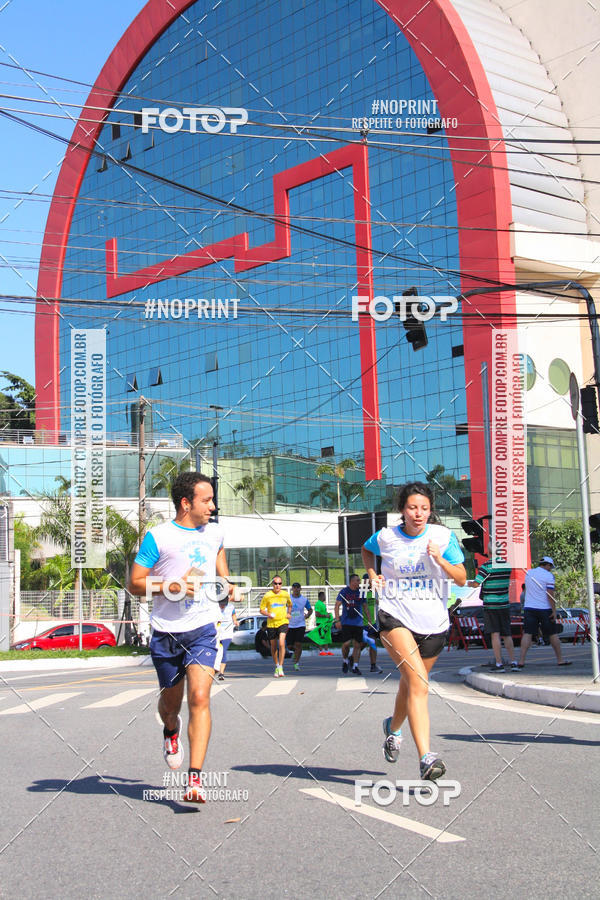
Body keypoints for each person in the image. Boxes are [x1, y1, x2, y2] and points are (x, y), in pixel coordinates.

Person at [129, 471, 233, 803]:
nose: (213, 506)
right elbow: (134, 583)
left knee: (200, 698)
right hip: (166, 632)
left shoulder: (215, 533)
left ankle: (195, 780)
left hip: (203, 628)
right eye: (207, 500)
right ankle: (170, 731)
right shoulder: (157, 537)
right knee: (171, 705)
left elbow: (222, 571)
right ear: (186, 503)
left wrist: (228, 586)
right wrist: (171, 586)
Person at [362, 482, 466, 781]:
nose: (418, 514)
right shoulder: (386, 537)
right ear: (402, 510)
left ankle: (393, 729)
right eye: (411, 508)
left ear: (430, 510)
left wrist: (440, 559)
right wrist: (373, 574)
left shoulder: (443, 537)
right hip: (395, 616)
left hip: (434, 624)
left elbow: (461, 577)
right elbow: (366, 550)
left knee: (410, 685)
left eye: (423, 508)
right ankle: (426, 758)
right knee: (419, 684)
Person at [517, 557, 571, 667]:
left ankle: (521, 661)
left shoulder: (529, 573)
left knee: (527, 633)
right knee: (552, 634)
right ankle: (560, 660)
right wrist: (554, 610)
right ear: (548, 565)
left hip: (529, 608)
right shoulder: (548, 576)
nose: (550, 569)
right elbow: (550, 595)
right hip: (544, 608)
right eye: (550, 567)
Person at [468, 558, 518, 672]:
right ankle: (513, 661)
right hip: (504, 604)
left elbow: (476, 583)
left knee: (495, 634)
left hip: (491, 605)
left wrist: (469, 583)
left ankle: (499, 663)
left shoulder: (486, 566)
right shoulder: (507, 565)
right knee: (507, 634)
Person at [335, 573, 374, 676]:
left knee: (357, 645)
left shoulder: (361, 592)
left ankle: (355, 666)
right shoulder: (344, 591)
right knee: (346, 644)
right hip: (346, 622)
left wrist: (369, 620)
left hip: (358, 623)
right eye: (357, 580)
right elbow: (337, 605)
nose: (359, 582)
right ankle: (345, 661)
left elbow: (365, 607)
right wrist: (337, 620)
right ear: (352, 582)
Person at [260, 576, 292, 677]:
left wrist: (289, 613)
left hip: (283, 622)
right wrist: (268, 614)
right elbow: (261, 609)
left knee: (282, 643)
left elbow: (290, 605)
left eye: (279, 583)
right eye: (275, 583)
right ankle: (277, 666)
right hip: (271, 624)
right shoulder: (267, 595)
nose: (277, 585)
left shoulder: (285, 594)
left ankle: (281, 666)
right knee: (273, 646)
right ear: (272, 584)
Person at [287, 582, 312, 670]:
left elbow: (310, 609)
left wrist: (307, 615)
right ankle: (296, 652)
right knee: (290, 646)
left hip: (300, 624)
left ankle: (296, 663)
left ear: (300, 589)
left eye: (298, 588)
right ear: (292, 589)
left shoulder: (304, 599)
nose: (296, 589)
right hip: (290, 625)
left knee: (298, 644)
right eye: (294, 588)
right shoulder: (288, 598)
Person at [216, 597, 239, 681]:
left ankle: (221, 673)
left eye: (223, 605)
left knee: (223, 651)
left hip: (227, 633)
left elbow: (233, 615)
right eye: (220, 604)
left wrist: (235, 621)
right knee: (215, 651)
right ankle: (214, 670)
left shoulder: (231, 607)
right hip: (217, 633)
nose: (222, 606)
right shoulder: (214, 607)